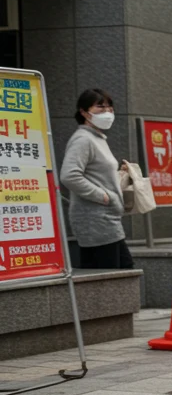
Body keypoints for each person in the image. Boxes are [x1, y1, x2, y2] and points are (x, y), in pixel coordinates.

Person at [59, 88, 132, 270]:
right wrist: (103, 196)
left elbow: (95, 173)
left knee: (120, 272)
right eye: (100, 106)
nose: (107, 111)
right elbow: (69, 175)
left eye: (109, 107)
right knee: (112, 274)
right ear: (84, 112)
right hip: (95, 219)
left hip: (106, 218)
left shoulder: (97, 138)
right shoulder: (83, 139)